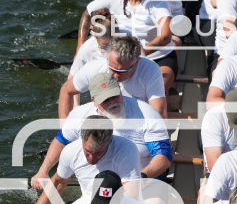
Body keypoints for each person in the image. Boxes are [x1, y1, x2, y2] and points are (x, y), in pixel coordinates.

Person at [32, 72, 172, 190]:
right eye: (105, 100)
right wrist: (43, 171)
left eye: (115, 96)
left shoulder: (146, 114)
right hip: (100, 185)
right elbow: (61, 141)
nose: (112, 102)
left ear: (120, 90)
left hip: (141, 181)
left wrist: (139, 178)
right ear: (94, 101)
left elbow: (164, 157)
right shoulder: (79, 115)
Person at [75, 0, 177, 109]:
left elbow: (166, 36)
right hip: (124, 60)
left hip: (159, 58)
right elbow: (87, 14)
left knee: (155, 89)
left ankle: (165, 106)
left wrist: (139, 53)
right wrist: (79, 48)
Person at [17, 116, 141, 204]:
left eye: (98, 152)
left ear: (110, 142)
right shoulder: (70, 152)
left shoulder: (126, 149)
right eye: (88, 151)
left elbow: (131, 195)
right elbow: (58, 183)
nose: (92, 158)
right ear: (82, 139)